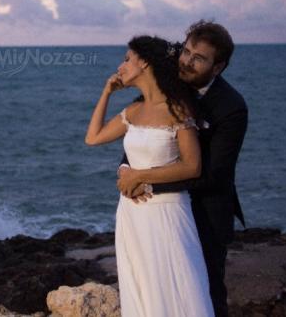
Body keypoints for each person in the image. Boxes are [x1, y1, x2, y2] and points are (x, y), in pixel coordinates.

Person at [119, 20, 247, 317]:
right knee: (153, 285)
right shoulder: (167, 82)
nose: (187, 62)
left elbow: (214, 173)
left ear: (218, 67)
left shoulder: (231, 107)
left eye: (198, 58)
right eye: (186, 51)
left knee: (204, 293)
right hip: (157, 212)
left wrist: (146, 182)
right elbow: (141, 128)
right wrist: (126, 167)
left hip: (206, 211)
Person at [85, 35, 214, 317]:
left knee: (176, 287)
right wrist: (107, 92)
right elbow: (93, 138)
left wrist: (139, 175)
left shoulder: (177, 108)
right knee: (141, 289)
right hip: (132, 215)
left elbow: (193, 167)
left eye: (127, 58)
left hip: (166, 214)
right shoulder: (133, 111)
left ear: (144, 62)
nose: (121, 66)